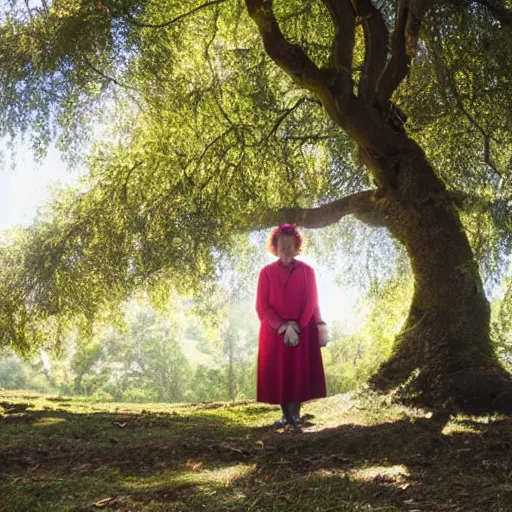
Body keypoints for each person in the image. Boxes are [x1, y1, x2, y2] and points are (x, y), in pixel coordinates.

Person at [256, 223, 327, 428]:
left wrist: (298, 326)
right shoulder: (266, 273)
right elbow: (262, 306)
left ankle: (295, 414)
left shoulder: (308, 271)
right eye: (282, 245)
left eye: (290, 245)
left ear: (297, 248)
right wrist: (282, 327)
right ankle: (285, 415)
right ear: (274, 247)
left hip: (302, 329)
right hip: (274, 332)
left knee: (298, 371)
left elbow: (312, 301)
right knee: (280, 371)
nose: (286, 249)